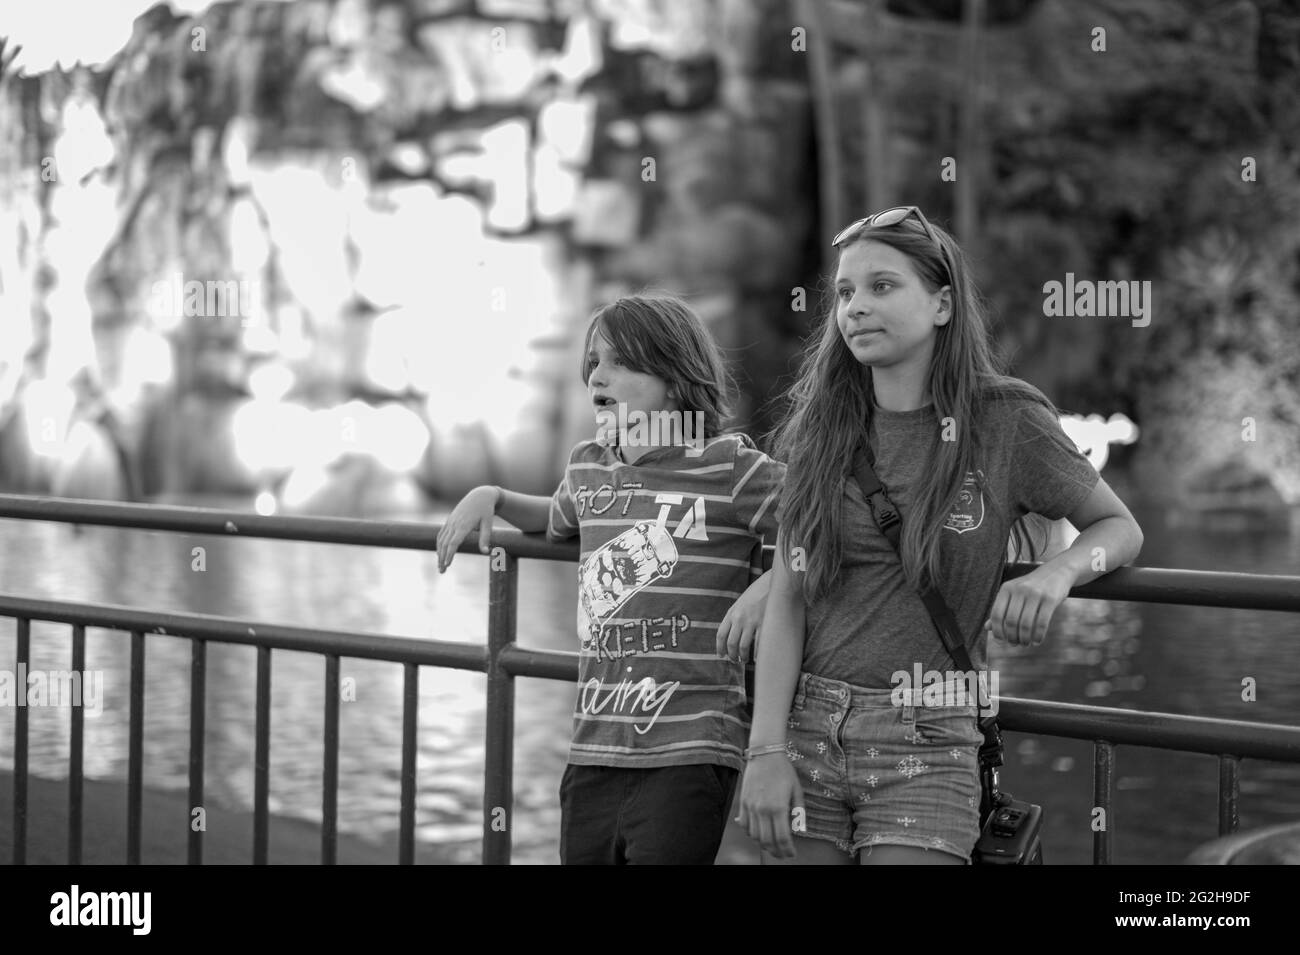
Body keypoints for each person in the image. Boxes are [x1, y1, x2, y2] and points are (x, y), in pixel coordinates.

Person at [737, 206, 1144, 865]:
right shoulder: (823, 426)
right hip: (805, 724)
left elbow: (1119, 528)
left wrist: (1058, 571)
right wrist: (765, 749)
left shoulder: (1005, 418)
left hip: (927, 737)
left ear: (942, 304)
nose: (856, 307)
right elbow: (789, 598)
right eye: (845, 293)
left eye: (883, 286)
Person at [437, 294, 785, 864]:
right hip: (593, 747)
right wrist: (492, 497)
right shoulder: (588, 465)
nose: (598, 375)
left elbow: (827, 518)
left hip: (689, 748)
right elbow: (556, 520)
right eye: (593, 362)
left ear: (674, 378)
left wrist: (766, 588)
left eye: (620, 362)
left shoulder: (729, 466)